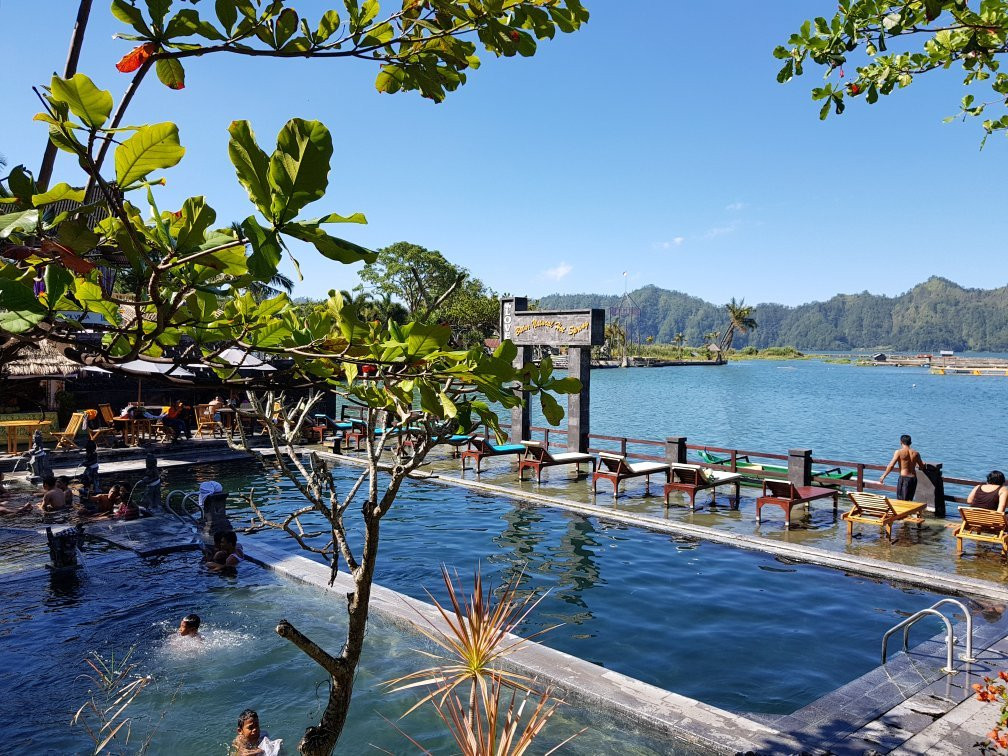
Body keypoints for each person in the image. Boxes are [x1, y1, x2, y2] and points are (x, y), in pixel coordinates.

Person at [879, 434, 926, 501]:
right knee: (909, 500)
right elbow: (922, 466)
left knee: (902, 502)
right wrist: (916, 464)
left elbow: (891, 465)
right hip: (913, 479)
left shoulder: (899, 452)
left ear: (901, 442)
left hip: (904, 479)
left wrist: (883, 476)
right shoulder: (916, 453)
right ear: (910, 443)